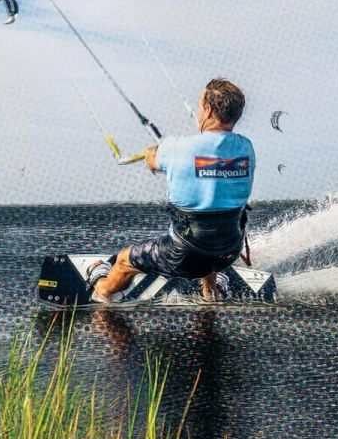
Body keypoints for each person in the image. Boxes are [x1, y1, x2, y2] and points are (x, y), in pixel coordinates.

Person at [87, 78, 255, 302]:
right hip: (227, 252)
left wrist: (152, 153)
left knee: (124, 261)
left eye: (199, 105)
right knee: (212, 224)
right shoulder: (247, 148)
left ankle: (102, 290)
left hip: (184, 256)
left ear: (207, 109)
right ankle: (210, 291)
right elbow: (212, 171)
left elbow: (153, 159)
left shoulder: (176, 147)